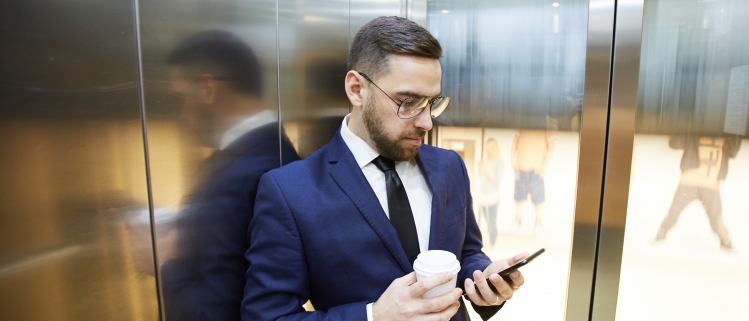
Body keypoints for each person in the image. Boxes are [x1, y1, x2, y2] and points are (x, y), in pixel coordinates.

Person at [242, 16, 529, 321]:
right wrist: (374, 316)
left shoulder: (449, 167)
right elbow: (268, 316)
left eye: (432, 103)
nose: (427, 122)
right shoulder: (289, 192)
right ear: (356, 89)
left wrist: (483, 278)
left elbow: (467, 253)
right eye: (409, 102)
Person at [158, 30, 300, 321]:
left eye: (181, 97)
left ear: (208, 88)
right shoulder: (275, 149)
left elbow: (216, 313)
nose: (182, 114)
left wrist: (164, 262)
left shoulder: (243, 176)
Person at [655, 135, 741, 250]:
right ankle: (661, 233)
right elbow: (675, 143)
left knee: (715, 216)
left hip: (709, 182)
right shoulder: (695, 128)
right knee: (674, 211)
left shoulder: (727, 132)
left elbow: (733, 152)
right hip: (691, 180)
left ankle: (725, 240)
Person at [511, 130, 554, 232]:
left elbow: (551, 147)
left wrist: (545, 166)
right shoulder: (523, 121)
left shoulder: (547, 125)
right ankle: (518, 219)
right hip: (521, 167)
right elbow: (515, 139)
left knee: (538, 198)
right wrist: (512, 159)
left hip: (537, 169)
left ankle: (538, 221)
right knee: (519, 197)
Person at [478, 138, 504, 247]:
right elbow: (479, 175)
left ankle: (492, 242)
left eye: (488, 149)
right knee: (486, 220)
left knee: (492, 221)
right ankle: (490, 240)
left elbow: (495, 180)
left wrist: (486, 168)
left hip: (492, 196)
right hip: (483, 195)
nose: (486, 151)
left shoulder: (499, 163)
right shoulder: (485, 160)